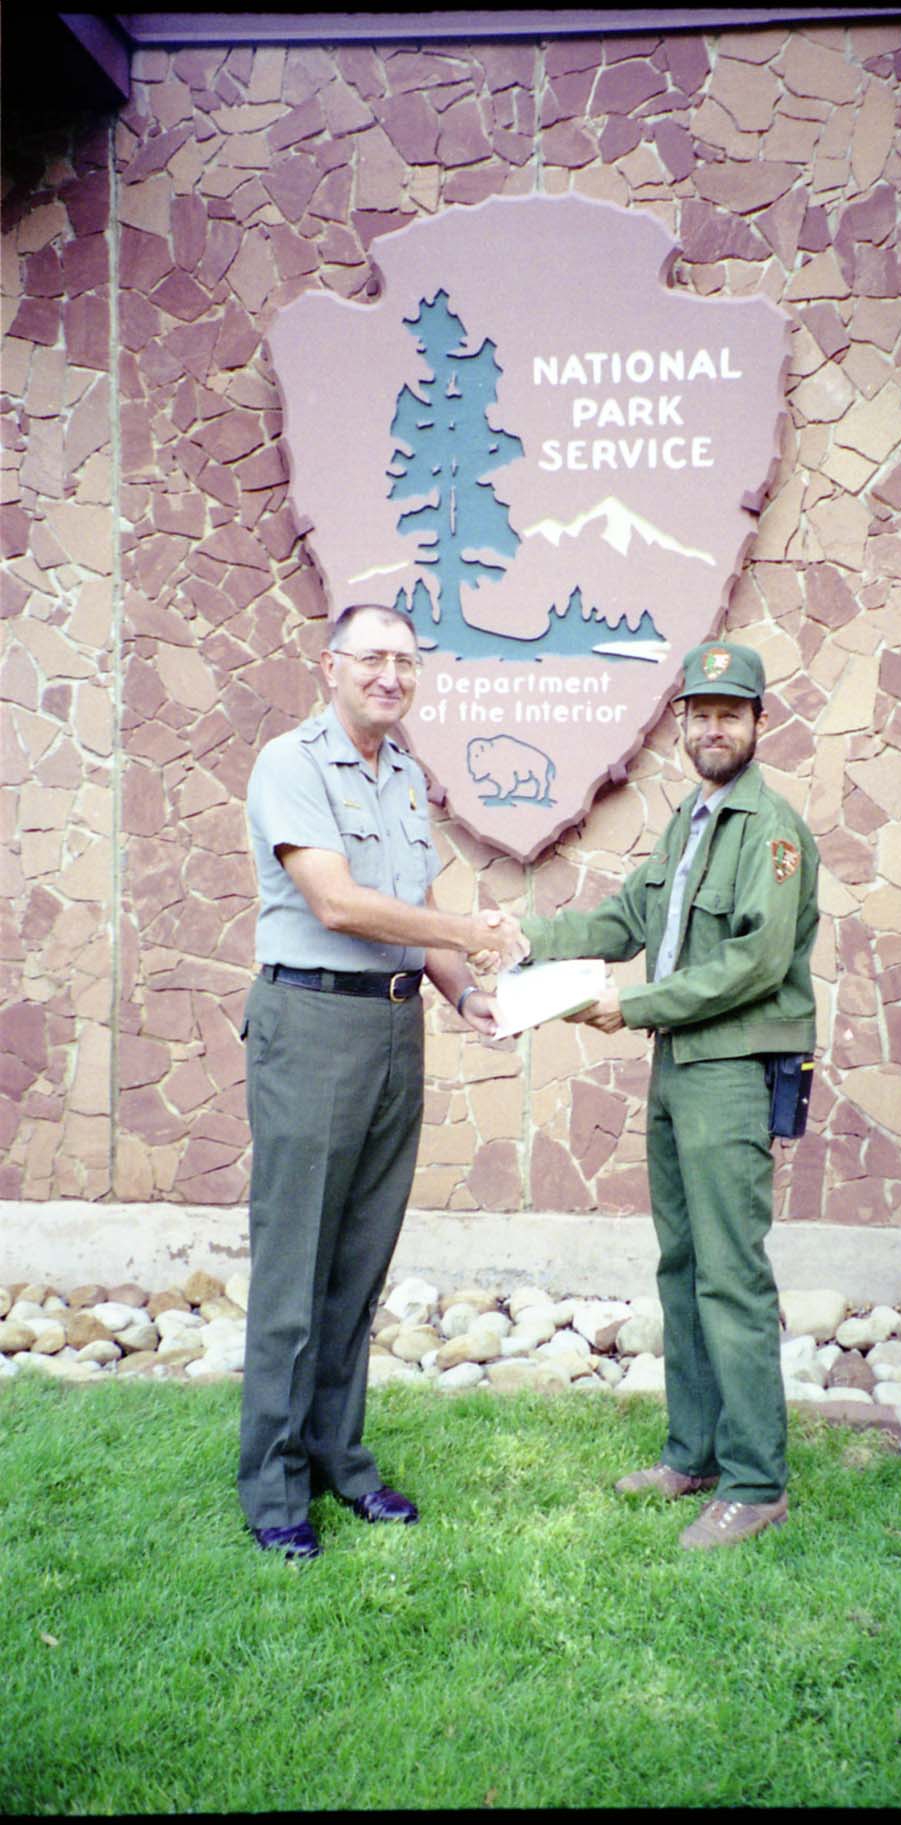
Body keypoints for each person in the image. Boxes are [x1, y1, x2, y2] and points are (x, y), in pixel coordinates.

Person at [509, 640, 819, 1551]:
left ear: (761, 723)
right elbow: (622, 920)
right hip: (679, 1066)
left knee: (731, 1272)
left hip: (729, 1068)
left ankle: (758, 1481)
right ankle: (695, 1453)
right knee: (681, 1264)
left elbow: (756, 962)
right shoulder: (690, 822)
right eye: (701, 711)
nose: (714, 726)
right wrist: (519, 938)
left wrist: (632, 1002)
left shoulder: (771, 830)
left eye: (732, 711)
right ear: (681, 723)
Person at [239, 602, 520, 1560]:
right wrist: (471, 935)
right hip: (312, 1023)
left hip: (394, 1026)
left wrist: (461, 992)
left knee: (359, 1261)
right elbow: (336, 901)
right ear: (332, 666)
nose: (391, 675)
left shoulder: (402, 774)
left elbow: (417, 908)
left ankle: (338, 1458)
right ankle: (275, 1490)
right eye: (373, 658)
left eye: (406, 660)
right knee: (295, 1265)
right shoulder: (291, 762)